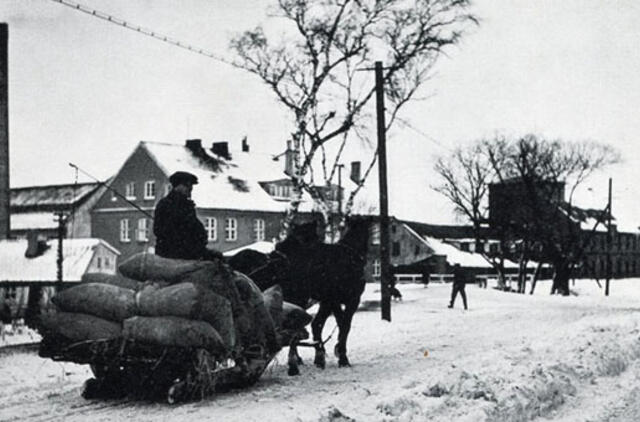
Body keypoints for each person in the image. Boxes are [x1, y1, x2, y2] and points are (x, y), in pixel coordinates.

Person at [153, 171, 222, 261]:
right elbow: (162, 231)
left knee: (218, 258)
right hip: (173, 252)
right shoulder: (166, 205)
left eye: (191, 187)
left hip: (190, 250)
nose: (190, 189)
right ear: (178, 186)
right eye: (187, 186)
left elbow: (194, 226)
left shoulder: (187, 205)